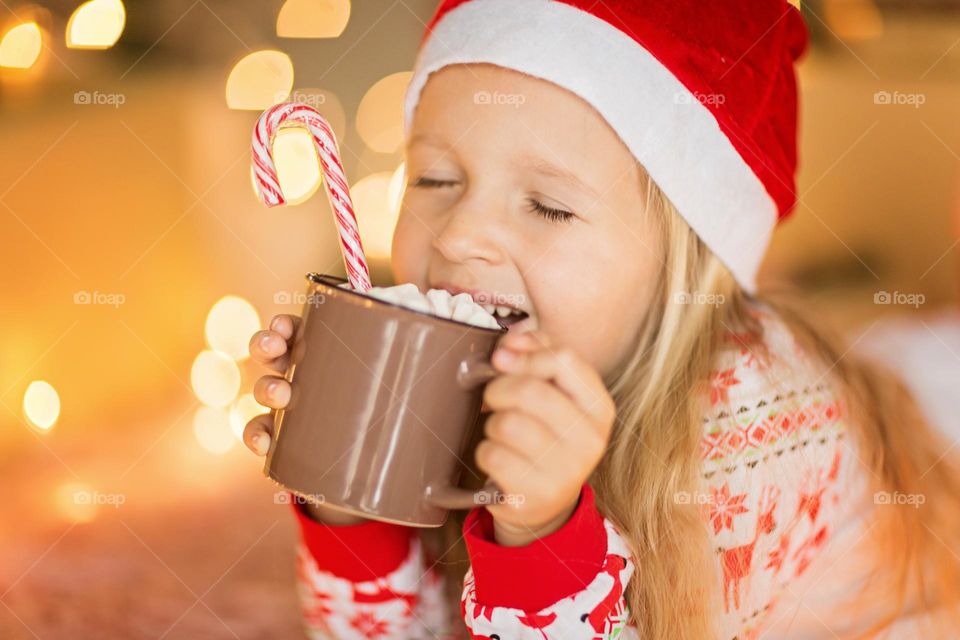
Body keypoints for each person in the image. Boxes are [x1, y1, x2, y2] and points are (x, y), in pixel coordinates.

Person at [244, 1, 960, 637]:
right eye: (434, 179)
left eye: (549, 206)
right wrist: (349, 491)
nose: (458, 235)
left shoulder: (753, 426)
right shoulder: (475, 377)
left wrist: (541, 536)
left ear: (680, 266)